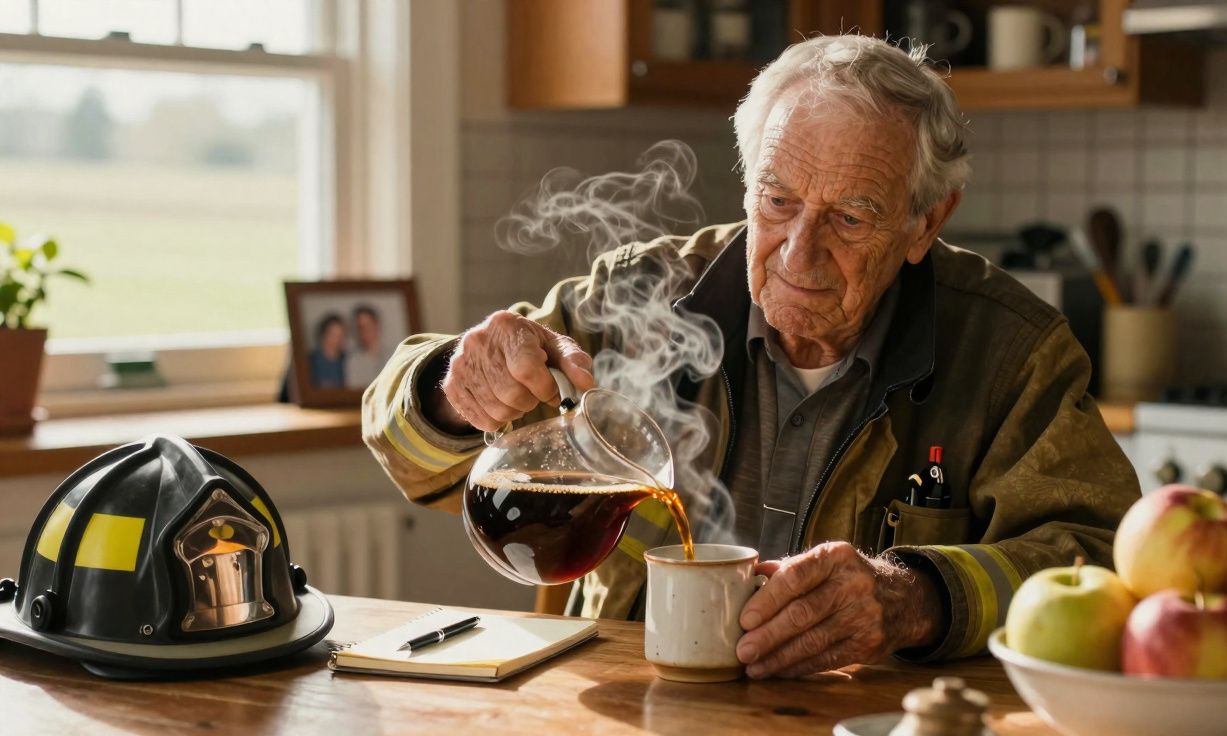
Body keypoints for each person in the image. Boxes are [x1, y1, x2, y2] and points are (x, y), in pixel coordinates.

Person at [362, 35, 1139, 678]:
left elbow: (1099, 560)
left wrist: (915, 595)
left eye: (851, 216)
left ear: (924, 223)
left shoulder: (1010, 351)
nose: (801, 253)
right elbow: (403, 452)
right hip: (633, 710)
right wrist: (449, 387)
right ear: (746, 187)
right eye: (778, 202)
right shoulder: (642, 295)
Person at [345, 305, 388, 388]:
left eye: (369, 325)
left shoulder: (395, 354)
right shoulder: (353, 361)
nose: (365, 331)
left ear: (377, 325)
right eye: (361, 327)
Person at [308, 313, 347, 389]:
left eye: (342, 335)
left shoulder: (347, 360)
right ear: (323, 335)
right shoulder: (310, 362)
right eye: (334, 335)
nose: (339, 340)